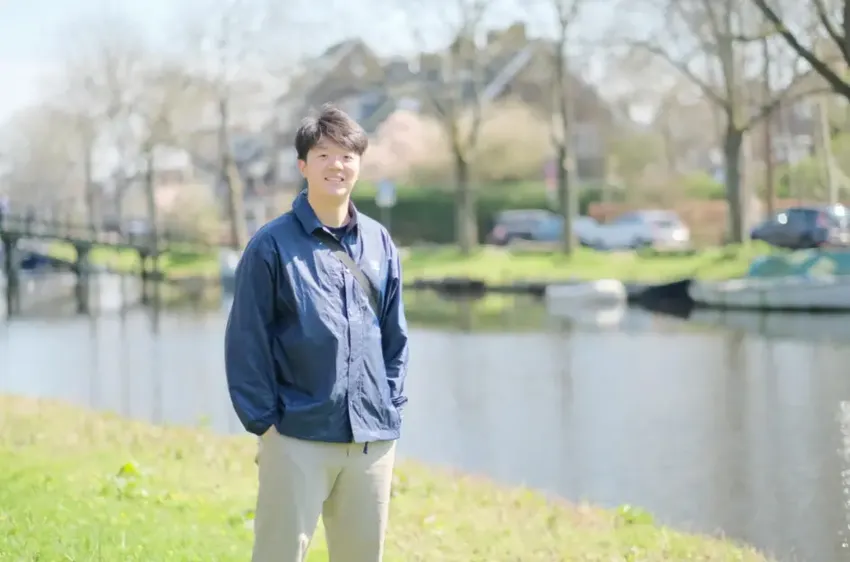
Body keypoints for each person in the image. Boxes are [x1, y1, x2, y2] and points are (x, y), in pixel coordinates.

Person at [224, 104, 409, 562]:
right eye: (323, 154)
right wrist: (266, 426)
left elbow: (394, 337)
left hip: (371, 441)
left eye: (347, 155)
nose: (336, 165)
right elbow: (246, 343)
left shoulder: (380, 242)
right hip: (295, 438)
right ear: (303, 165)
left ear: (359, 165)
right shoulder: (270, 244)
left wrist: (391, 406)